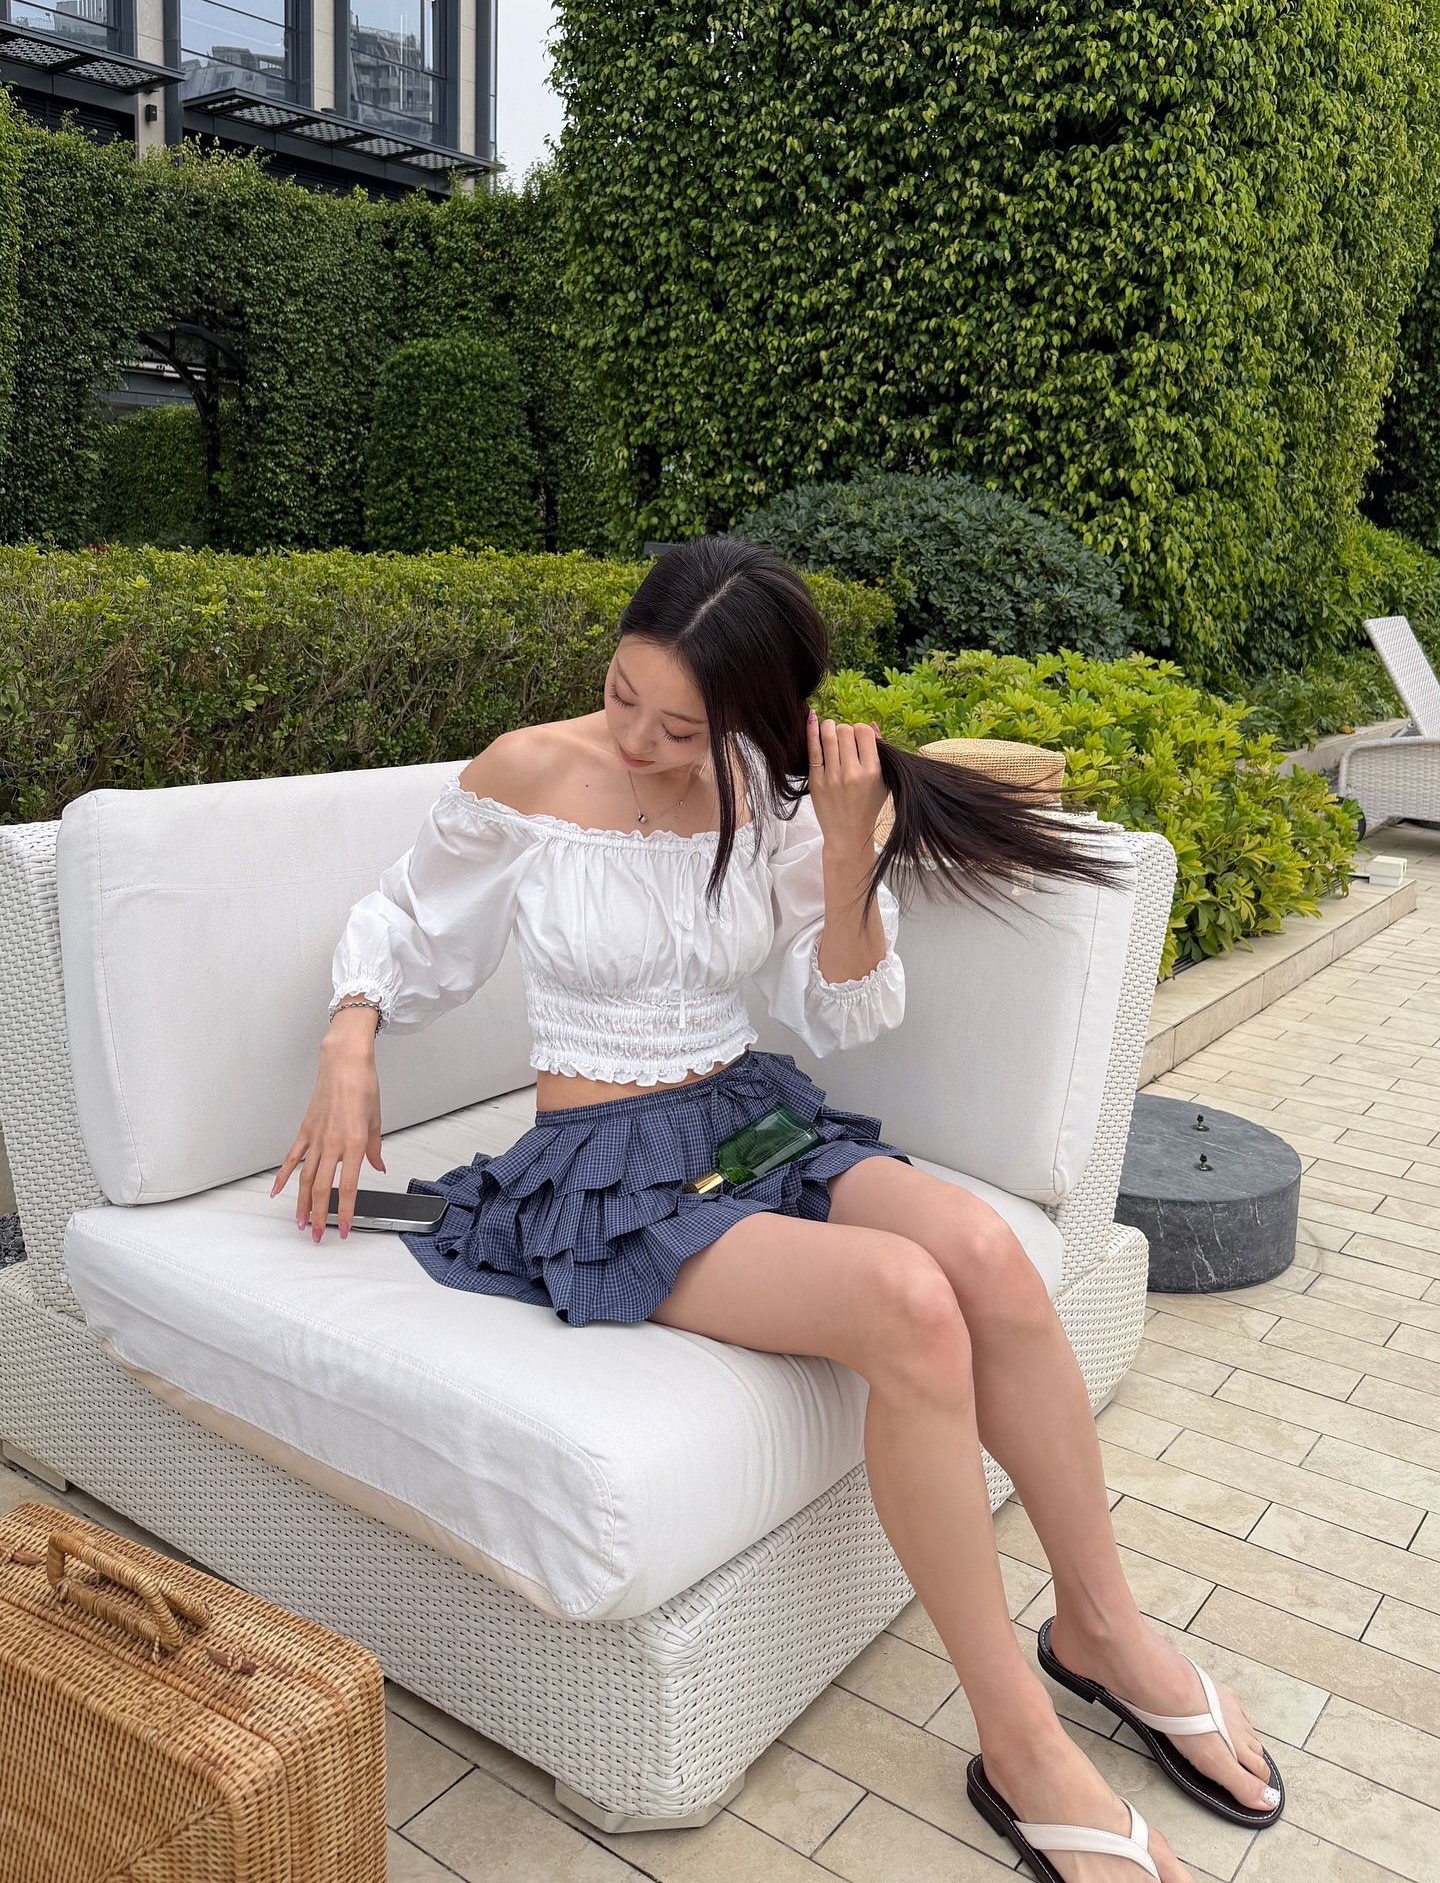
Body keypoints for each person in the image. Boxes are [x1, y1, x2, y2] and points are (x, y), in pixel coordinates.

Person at [273, 537, 1282, 1883]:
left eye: (680, 726)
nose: (637, 739)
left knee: (985, 1252)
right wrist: (350, 1040)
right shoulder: (528, 775)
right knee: (907, 1302)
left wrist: (850, 846)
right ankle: (1020, 1743)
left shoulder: (772, 798)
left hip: (747, 1116)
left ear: (749, 719)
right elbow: (409, 926)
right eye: (623, 695)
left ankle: (1104, 1627)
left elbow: (841, 1009)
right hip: (606, 1174)